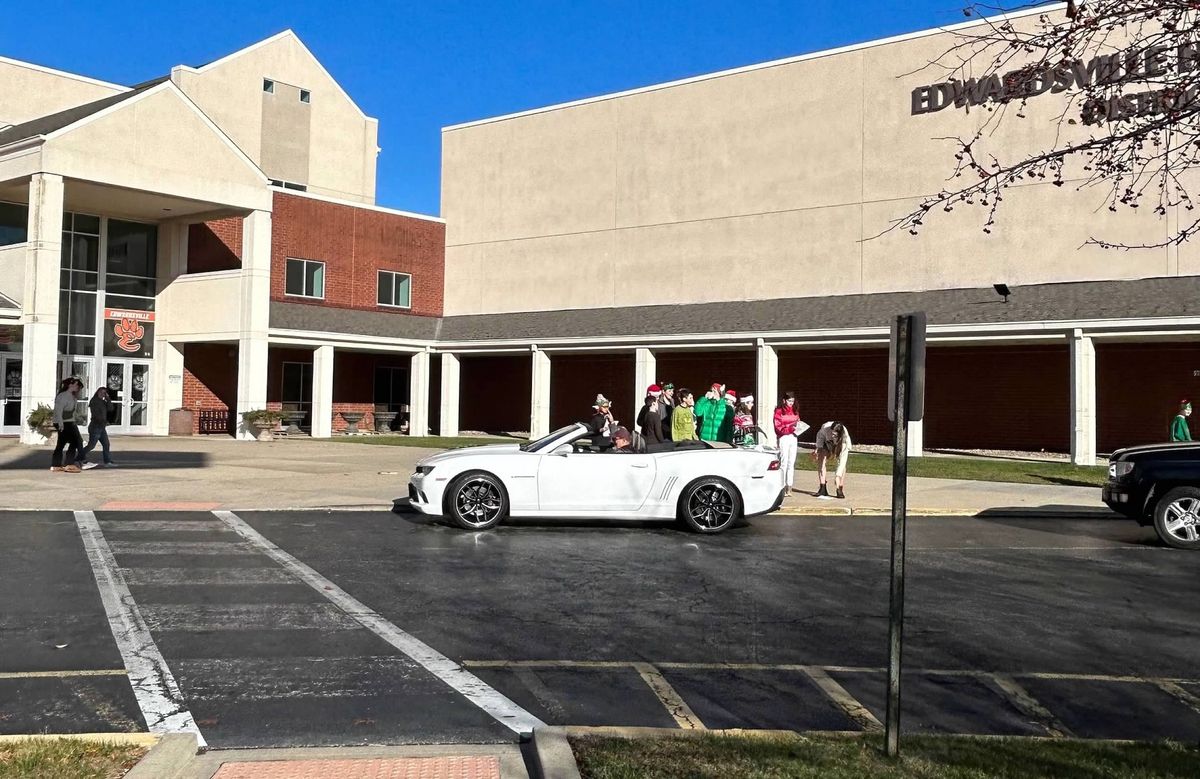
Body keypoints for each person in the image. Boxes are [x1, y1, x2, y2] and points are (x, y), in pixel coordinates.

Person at [50, 378, 87, 473]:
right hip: (61, 422)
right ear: (70, 385)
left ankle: (57, 464)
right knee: (72, 441)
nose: (77, 387)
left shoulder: (73, 397)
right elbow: (58, 411)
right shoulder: (62, 396)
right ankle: (67, 464)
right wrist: (60, 423)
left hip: (69, 421)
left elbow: (73, 412)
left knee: (66, 443)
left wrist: (79, 419)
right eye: (76, 385)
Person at [774, 392, 804, 492]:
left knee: (791, 462)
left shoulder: (795, 411)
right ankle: (782, 485)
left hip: (793, 437)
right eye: (789, 401)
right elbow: (778, 427)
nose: (791, 403)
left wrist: (799, 428)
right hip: (784, 437)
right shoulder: (779, 411)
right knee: (784, 462)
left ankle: (789, 485)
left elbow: (798, 422)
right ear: (784, 401)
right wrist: (790, 429)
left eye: (792, 401)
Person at [813, 421, 852, 499]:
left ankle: (839, 488)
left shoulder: (845, 437)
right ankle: (822, 487)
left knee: (842, 466)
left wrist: (837, 475)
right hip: (825, 442)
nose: (832, 435)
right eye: (831, 433)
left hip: (839, 445)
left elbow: (842, 462)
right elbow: (820, 437)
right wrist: (817, 448)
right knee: (821, 459)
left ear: (839, 435)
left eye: (835, 435)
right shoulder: (825, 428)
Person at [79, 387, 116, 467]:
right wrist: (102, 421)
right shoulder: (94, 401)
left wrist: (108, 398)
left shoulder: (103, 401)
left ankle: (107, 461)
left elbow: (111, 408)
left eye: (104, 393)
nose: (102, 394)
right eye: (101, 392)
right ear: (97, 392)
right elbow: (96, 414)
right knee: (91, 445)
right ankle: (78, 457)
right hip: (95, 426)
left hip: (101, 427)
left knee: (106, 444)